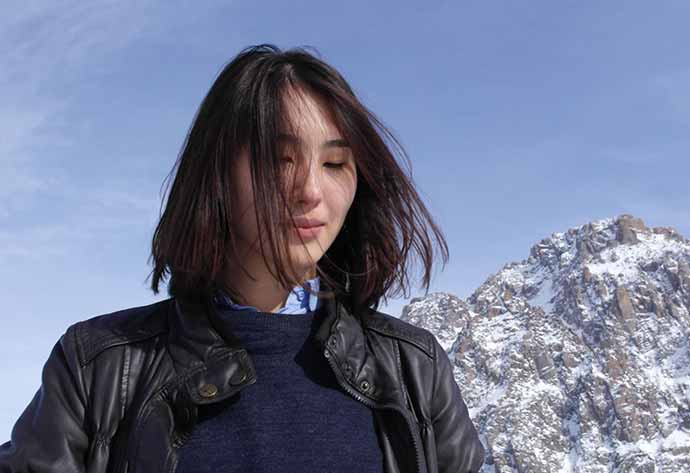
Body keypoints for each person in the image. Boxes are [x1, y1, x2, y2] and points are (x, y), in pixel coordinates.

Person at [0, 44, 486, 473]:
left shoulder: (414, 371)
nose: (311, 191)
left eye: (335, 163)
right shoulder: (98, 368)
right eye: (279, 160)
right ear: (216, 173)